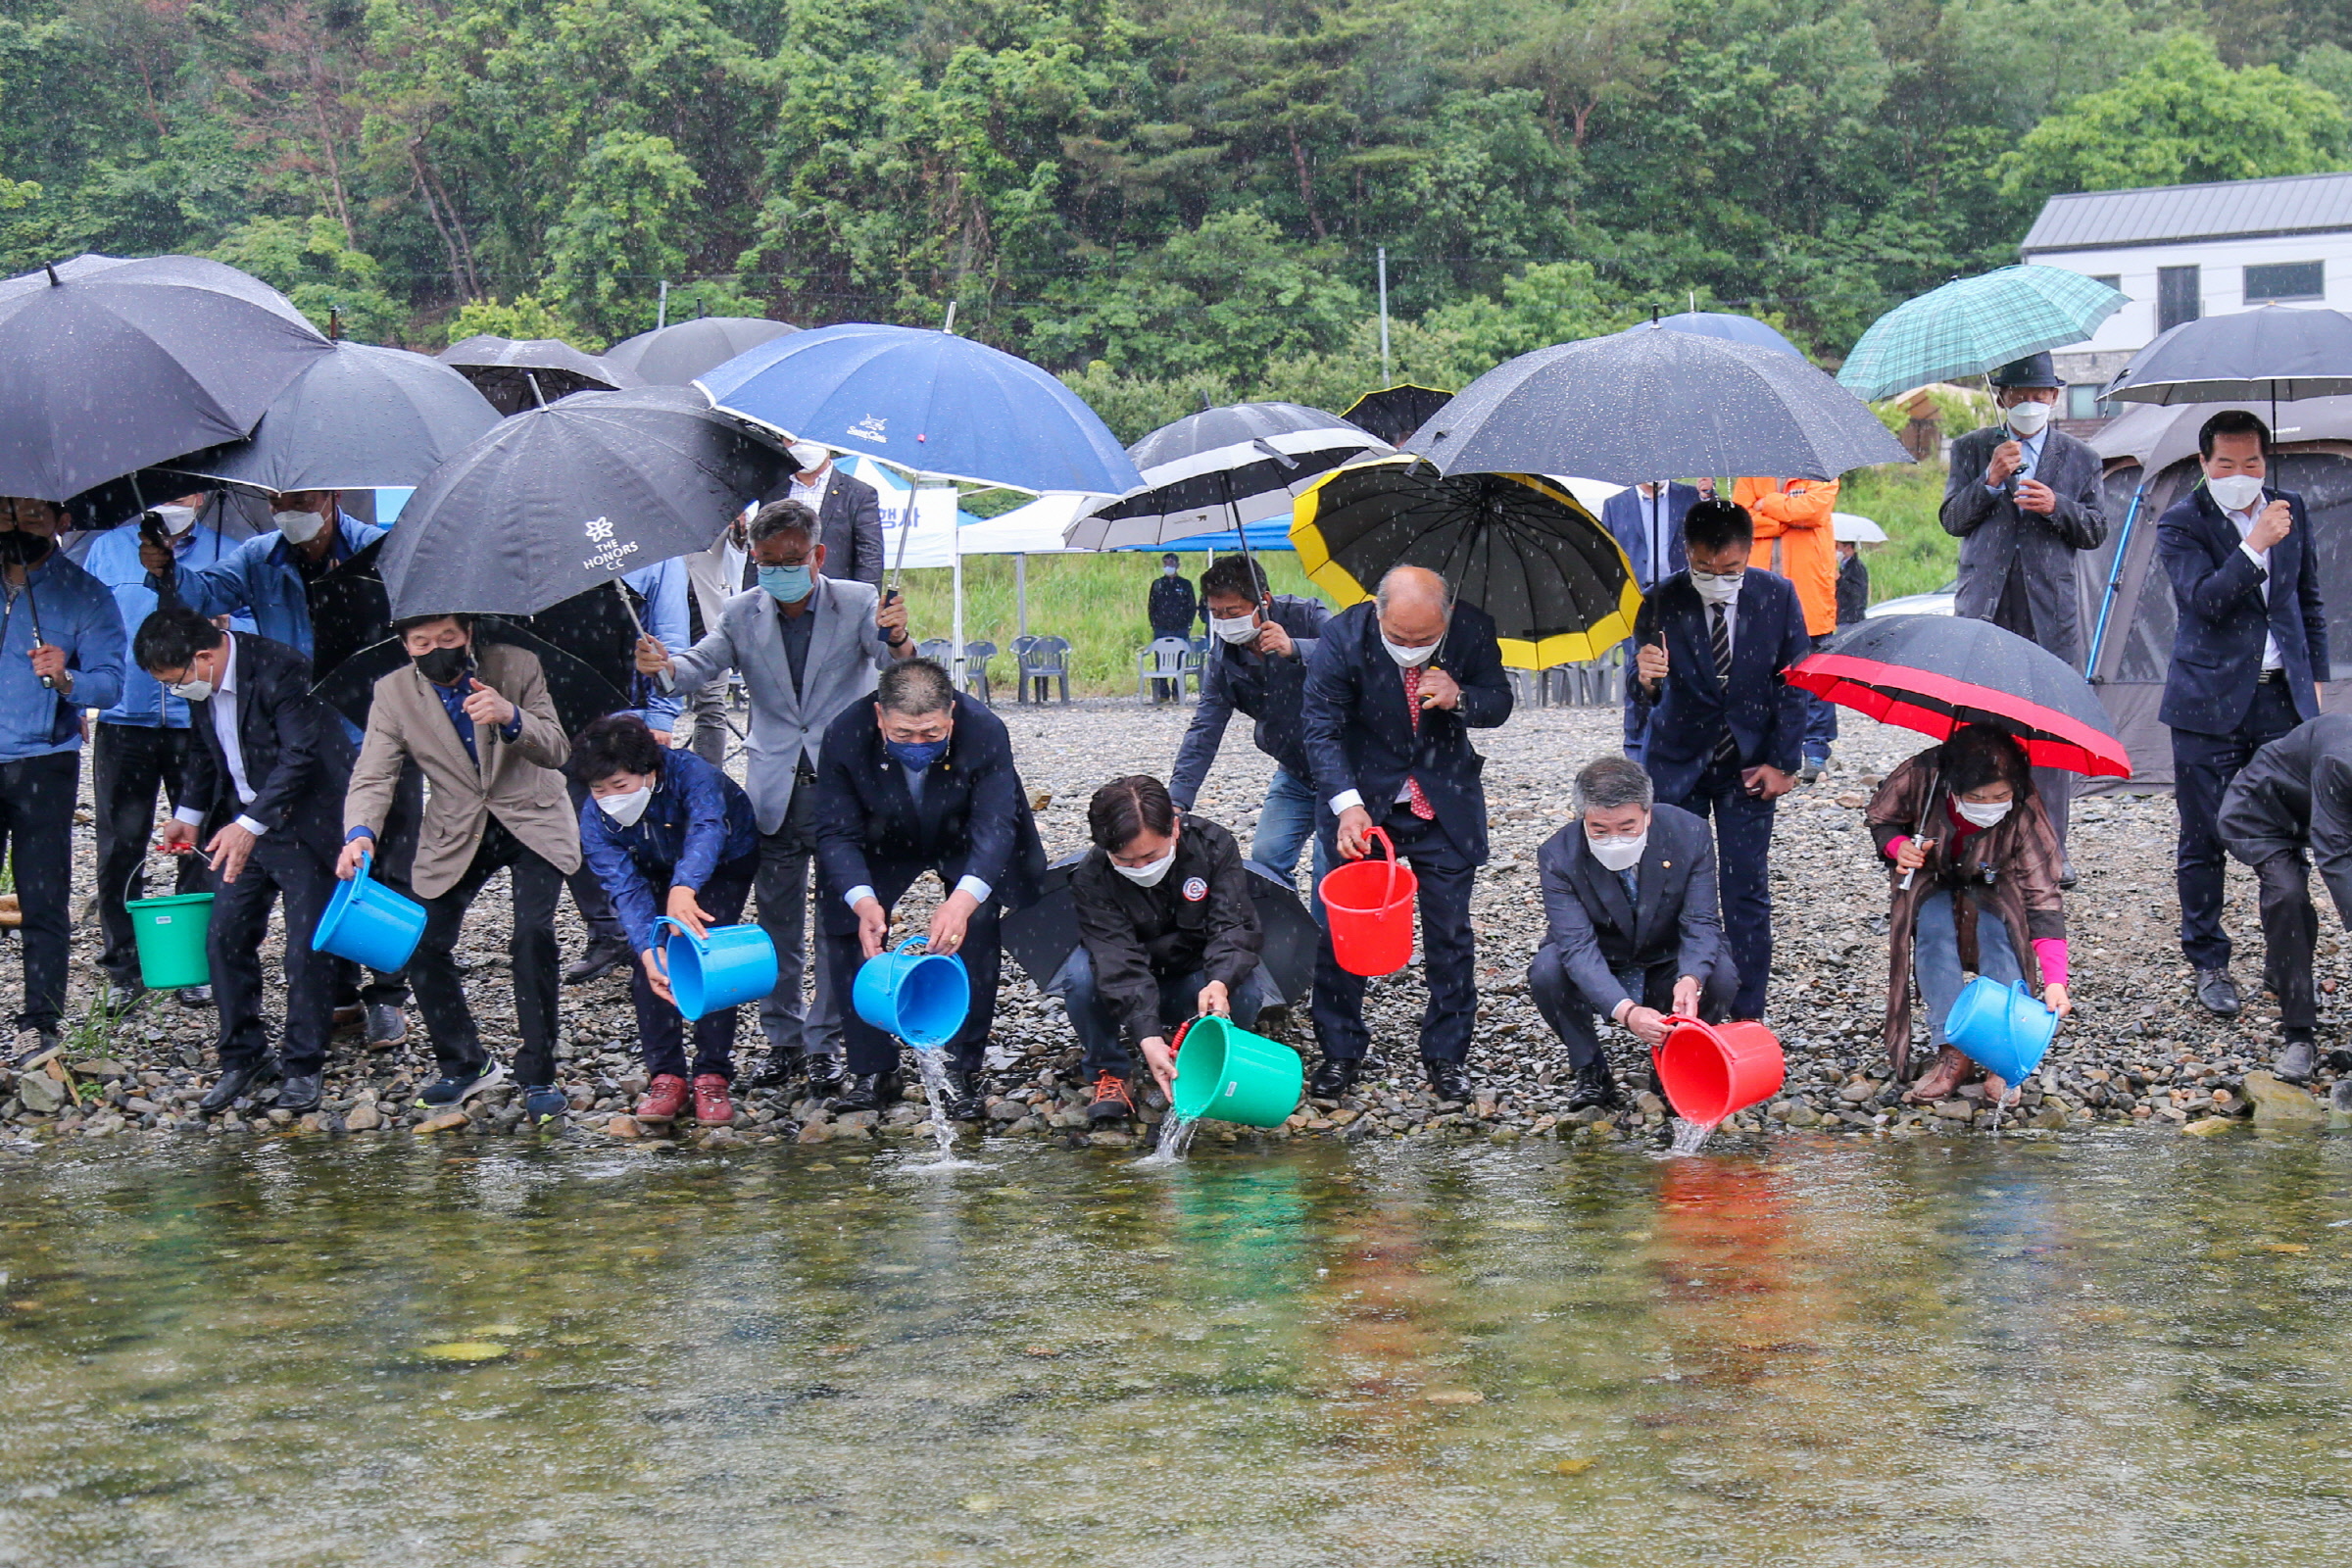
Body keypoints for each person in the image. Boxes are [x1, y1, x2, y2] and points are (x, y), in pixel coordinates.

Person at [636, 498, 913, 1096]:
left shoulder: (860, 601)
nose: (777, 570)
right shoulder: (741, 612)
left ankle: (827, 1043)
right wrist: (662, 666)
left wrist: (899, 638)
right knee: (779, 923)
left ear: (816, 555)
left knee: (841, 923)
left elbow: (893, 661)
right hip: (774, 788)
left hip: (847, 789)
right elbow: (698, 667)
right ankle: (783, 1040)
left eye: (789, 559)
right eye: (765, 561)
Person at [142, 487, 416, 1045]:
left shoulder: (378, 549)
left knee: (383, 862)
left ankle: (388, 991)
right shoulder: (259, 556)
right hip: (291, 724)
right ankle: (337, 987)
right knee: (321, 866)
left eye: (302, 499)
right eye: (277, 501)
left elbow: (410, 622)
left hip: (374, 722)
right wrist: (166, 566)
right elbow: (199, 602)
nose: (288, 511)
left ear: (332, 498)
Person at [340, 614, 578, 1120]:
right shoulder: (393, 692)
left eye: (447, 638)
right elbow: (374, 772)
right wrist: (360, 832)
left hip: (532, 815)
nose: (436, 649)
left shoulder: (516, 664)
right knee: (422, 942)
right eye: (422, 642)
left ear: (468, 633)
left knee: (531, 935)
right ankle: (465, 1062)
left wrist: (511, 716)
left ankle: (538, 1071)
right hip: (457, 826)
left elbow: (557, 748)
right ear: (405, 645)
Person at [1299, 564, 1513, 1102]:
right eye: (1398, 638)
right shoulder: (1342, 638)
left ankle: (1447, 1054)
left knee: (1450, 932)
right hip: (1363, 802)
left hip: (1441, 803)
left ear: (1447, 617)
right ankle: (1340, 1050)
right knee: (1343, 932)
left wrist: (1462, 696)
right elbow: (1319, 729)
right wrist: (1346, 805)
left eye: (1424, 640)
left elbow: (1499, 703)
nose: (1411, 649)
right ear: (1378, 613)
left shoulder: (1473, 629)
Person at [138, 608, 350, 1115]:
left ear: (205, 656)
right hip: (242, 822)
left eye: (177, 681)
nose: (177, 692)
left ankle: (304, 1064)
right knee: (224, 937)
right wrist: (188, 814)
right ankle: (243, 1055)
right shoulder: (201, 684)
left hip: (305, 824)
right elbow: (205, 751)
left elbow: (300, 755)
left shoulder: (282, 668)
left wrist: (249, 825)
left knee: (305, 951)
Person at [812, 658, 1045, 1116]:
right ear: (880, 717)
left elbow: (996, 826)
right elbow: (836, 832)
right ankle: (874, 1069)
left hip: (962, 832)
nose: (918, 744)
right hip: (883, 836)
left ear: (951, 716)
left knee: (975, 923)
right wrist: (863, 901)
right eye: (903, 735)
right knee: (845, 924)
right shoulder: (844, 733)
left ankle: (960, 1067)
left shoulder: (985, 730)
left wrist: (960, 901)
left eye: (931, 734)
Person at [2159, 409, 2328, 1018]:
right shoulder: (2181, 521)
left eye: (2252, 463)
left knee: (2285, 834)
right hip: (2207, 700)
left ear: (2266, 461)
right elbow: (2203, 601)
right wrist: (2254, 545)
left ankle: (2287, 963)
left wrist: (2316, 691)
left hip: (2281, 697)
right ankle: (2209, 962)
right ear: (2204, 464)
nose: (2240, 473)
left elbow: (2308, 603)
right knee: (2203, 836)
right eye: (2226, 463)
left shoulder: (2290, 507)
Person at [1630, 497, 1810, 1023]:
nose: (1718, 579)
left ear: (1748, 554)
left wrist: (1784, 763)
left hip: (1749, 765)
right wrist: (1645, 678)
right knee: (1671, 890)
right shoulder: (1660, 600)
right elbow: (1640, 699)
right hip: (1677, 760)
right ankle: (1677, 1013)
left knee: (1745, 888)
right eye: (1705, 569)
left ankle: (1747, 1012)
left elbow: (1794, 685)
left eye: (1730, 570)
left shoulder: (1777, 595)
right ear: (1687, 553)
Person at [1940, 353, 2109, 845]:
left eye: (2039, 395)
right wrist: (1989, 480)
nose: (2030, 404)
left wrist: (2058, 506)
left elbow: (2096, 530)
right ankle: (1976, 834)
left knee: (2051, 725)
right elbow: (1952, 519)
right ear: (2002, 397)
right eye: (2019, 395)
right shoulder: (1974, 448)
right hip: (1987, 605)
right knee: (1979, 719)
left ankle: (2049, 844)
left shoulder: (2081, 457)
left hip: (2049, 611)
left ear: (2055, 397)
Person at [82, 496, 246, 1002]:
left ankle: (194, 958)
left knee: (202, 840)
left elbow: (251, 635)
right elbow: (87, 629)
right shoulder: (108, 550)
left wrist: (225, 629)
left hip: (197, 718)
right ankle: (124, 965)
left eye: (185, 493)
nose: (174, 504)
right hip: (124, 716)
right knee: (120, 844)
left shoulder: (229, 553)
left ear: (202, 495)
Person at [573, 713, 762, 1126]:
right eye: (598, 789)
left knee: (705, 951)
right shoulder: (594, 817)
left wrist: (686, 886)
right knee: (653, 962)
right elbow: (623, 886)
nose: (610, 798)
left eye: (620, 786)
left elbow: (708, 827)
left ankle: (713, 1073)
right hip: (649, 866)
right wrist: (646, 946)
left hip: (726, 858)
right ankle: (666, 1076)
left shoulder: (693, 774)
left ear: (650, 769)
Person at [1865, 724, 2070, 1104]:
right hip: (1931, 872)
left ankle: (2000, 1053)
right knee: (1934, 935)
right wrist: (1898, 847)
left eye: (2001, 796)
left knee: (2000, 938)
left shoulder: (2025, 808)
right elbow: (1882, 818)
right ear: (1953, 789)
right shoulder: (1922, 774)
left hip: (1996, 877)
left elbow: (2043, 897)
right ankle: (1952, 1048)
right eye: (1977, 797)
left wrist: (2056, 979)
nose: (1990, 804)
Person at [1529, 756, 1735, 1112]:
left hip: (1667, 952)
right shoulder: (1558, 855)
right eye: (1599, 830)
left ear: (1648, 813)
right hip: (1601, 955)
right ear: (1582, 818)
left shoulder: (1690, 833)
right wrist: (1625, 1012)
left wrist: (1691, 978)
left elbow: (1700, 920)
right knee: (1547, 971)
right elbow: (1576, 946)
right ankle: (1591, 1070)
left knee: (1720, 976)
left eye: (1627, 827)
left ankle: (1676, 1064)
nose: (1614, 840)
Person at [1061, 774, 1271, 1121]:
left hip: (1195, 971)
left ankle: (1205, 1060)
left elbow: (1232, 925)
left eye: (1151, 855)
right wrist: (1147, 1035)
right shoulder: (1092, 876)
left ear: (1174, 828)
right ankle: (1111, 1070)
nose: (1141, 867)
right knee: (1082, 978)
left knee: (1244, 989)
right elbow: (1115, 955)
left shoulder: (1213, 846)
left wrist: (1220, 981)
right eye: (1126, 861)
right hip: (1132, 973)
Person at [0, 498, 124, 1062]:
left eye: (31, 515)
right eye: (5, 513)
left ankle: (40, 1019)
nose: (16, 525)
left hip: (44, 760)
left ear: (61, 522)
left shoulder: (85, 594)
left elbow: (111, 683)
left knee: (42, 892)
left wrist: (67, 678)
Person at [559, 556, 691, 986]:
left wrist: (662, 714)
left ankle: (666, 930)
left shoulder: (656, 555)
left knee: (650, 827)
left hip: (628, 708)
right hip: (566, 709)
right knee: (578, 826)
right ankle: (606, 930)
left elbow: (670, 634)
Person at [1168, 553, 1330, 889]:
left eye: (1233, 612)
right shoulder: (1222, 658)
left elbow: (1352, 656)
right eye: (1216, 614)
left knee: (1329, 867)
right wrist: (1178, 799)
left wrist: (1296, 648)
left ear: (1264, 602)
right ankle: (1286, 932)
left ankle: (1326, 941)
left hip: (1344, 769)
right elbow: (1204, 729)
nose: (1225, 621)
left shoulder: (1308, 615)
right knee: (1267, 859)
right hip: (1295, 771)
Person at [2219, 713, 2352, 1083]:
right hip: (2264, 813)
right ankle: (2299, 1035)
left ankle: (2281, 967)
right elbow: (2336, 850)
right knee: (2289, 897)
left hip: (2329, 805)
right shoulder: (2341, 760)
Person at [1733, 474, 1839, 780]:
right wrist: (1785, 517)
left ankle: (1816, 750)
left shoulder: (1822, 475)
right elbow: (1742, 520)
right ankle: (1763, 747)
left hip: (1810, 594)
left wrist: (1768, 506)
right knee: (1759, 674)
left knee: (1815, 675)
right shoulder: (1750, 476)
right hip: (1759, 596)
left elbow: (1814, 512)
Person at [1601, 480, 1708, 762]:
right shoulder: (1616, 504)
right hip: (1635, 601)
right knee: (1637, 671)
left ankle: (1684, 743)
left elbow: (1711, 537)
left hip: (1684, 596)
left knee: (1686, 668)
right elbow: (1605, 556)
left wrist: (1710, 495)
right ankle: (1636, 749)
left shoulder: (1690, 497)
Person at [775, 440, 884, 586]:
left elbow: (869, 555)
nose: (801, 445)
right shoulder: (774, 489)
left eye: (809, 438)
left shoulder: (858, 493)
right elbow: (759, 546)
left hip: (835, 597)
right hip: (780, 592)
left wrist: (866, 601)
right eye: (791, 440)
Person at [1147, 553, 1197, 702]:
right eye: (1166, 564)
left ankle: (1177, 692)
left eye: (1171, 564)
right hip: (1162, 628)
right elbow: (1152, 607)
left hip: (1180, 628)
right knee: (1160, 660)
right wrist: (1155, 624)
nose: (1168, 567)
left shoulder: (1185, 584)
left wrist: (1187, 624)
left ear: (1177, 565)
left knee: (1180, 660)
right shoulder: (1158, 584)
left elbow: (1191, 606)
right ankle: (1163, 693)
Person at [1836, 537, 1870, 629]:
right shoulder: (1844, 566)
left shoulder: (1856, 567)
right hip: (1843, 617)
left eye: (1837, 546)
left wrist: (1840, 579)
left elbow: (1857, 593)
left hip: (1852, 619)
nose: (1835, 550)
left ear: (1848, 547)